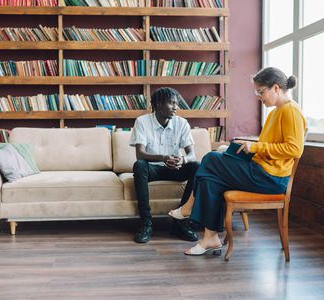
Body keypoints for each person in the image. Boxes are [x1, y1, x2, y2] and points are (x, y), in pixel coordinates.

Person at [169, 67, 306, 256]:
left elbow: (294, 149)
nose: (259, 97)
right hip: (262, 171)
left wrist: (256, 147)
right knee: (211, 179)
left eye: (261, 92)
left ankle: (188, 207)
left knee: (210, 158)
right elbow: (271, 144)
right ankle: (210, 238)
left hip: (271, 178)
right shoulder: (276, 112)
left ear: (275, 88)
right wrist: (249, 144)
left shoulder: (291, 111)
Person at [130, 87, 200, 243]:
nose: (176, 107)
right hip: (153, 168)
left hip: (175, 169)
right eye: (171, 103)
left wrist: (183, 160)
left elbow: (192, 155)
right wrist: (163, 157)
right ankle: (146, 223)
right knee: (139, 165)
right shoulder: (142, 121)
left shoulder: (182, 123)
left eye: (177, 103)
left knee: (197, 165)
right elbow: (140, 154)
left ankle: (180, 219)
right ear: (159, 103)